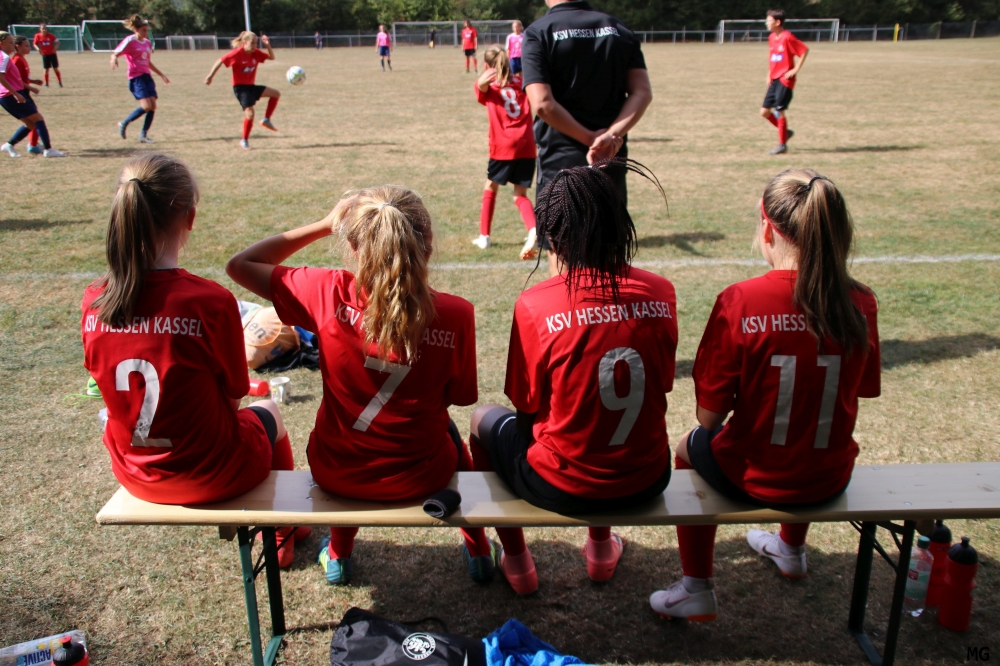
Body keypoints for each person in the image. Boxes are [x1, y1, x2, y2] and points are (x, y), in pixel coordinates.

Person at [226, 186, 495, 587]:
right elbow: (461, 397)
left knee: (356, 439)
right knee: (450, 434)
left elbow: (240, 265)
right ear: (428, 244)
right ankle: (480, 548)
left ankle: (338, 555)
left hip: (336, 470)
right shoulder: (455, 313)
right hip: (421, 475)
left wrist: (324, 225)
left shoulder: (324, 290)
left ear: (352, 246)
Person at [649, 169, 880, 621]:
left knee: (687, 447)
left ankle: (697, 586)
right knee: (806, 434)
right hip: (831, 475)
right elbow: (863, 389)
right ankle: (790, 549)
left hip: (754, 476)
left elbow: (709, 418)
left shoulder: (741, 300)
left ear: (768, 228)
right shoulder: (861, 301)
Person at [81, 153, 309, 567]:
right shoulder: (208, 300)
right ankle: (283, 533)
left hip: (136, 474)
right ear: (190, 217)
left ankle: (284, 532)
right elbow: (235, 397)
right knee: (269, 411)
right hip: (210, 473)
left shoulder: (95, 300)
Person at [469, 160, 676, 595]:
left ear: (551, 236)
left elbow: (526, 410)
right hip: (649, 478)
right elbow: (660, 386)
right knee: (597, 420)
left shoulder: (536, 303)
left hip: (561, 485)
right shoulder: (661, 291)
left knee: (482, 419)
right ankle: (600, 549)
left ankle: (517, 560)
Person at [522, 0, 652, 205]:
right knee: (609, 225)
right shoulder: (619, 29)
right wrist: (610, 135)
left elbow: (543, 103)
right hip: (610, 158)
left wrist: (591, 139)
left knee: (562, 226)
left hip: (560, 164)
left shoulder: (539, 31)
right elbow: (642, 92)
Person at [472, 45, 539, 260]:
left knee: (490, 186)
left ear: (487, 65)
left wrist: (482, 79)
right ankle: (534, 229)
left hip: (503, 145)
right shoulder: (521, 83)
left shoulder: (490, 87)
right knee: (520, 194)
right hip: (527, 143)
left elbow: (481, 87)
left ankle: (484, 236)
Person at [205, 31, 280, 151]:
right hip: (240, 88)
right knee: (250, 114)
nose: (255, 45)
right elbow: (221, 60)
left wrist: (267, 45)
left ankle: (266, 119)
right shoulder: (237, 53)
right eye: (252, 43)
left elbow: (272, 57)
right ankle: (244, 140)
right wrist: (210, 76)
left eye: (256, 43)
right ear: (245, 42)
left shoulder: (256, 53)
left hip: (251, 86)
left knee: (276, 94)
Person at [0, 31, 66, 158]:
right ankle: (48, 149)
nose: (13, 45)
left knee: (30, 124)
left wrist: (30, 85)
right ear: (1, 44)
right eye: (10, 43)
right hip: (10, 95)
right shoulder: (5, 57)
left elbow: (13, 78)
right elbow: (1, 77)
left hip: (6, 97)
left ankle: (9, 144)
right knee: (38, 119)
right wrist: (16, 94)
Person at [112, 15, 169, 144]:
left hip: (147, 76)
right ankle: (124, 122)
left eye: (147, 30)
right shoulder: (130, 41)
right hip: (136, 77)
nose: (146, 33)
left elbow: (147, 62)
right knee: (146, 106)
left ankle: (143, 135)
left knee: (153, 106)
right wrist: (114, 58)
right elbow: (116, 52)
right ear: (136, 29)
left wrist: (161, 74)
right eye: (143, 30)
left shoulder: (147, 43)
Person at [761, 9, 808, 155]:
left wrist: (795, 69)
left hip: (785, 80)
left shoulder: (787, 37)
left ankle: (782, 145)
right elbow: (772, 57)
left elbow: (804, 50)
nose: (766, 23)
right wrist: (769, 74)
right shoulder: (771, 37)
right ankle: (785, 132)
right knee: (764, 112)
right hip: (774, 78)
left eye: (769, 20)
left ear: (777, 22)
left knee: (779, 110)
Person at [11, 36, 45, 155]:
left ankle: (33, 143)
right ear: (18, 46)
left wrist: (33, 81)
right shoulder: (16, 60)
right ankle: (32, 144)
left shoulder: (22, 59)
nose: (29, 48)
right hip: (21, 93)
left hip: (25, 91)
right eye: (26, 46)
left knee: (34, 119)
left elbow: (22, 78)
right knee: (36, 119)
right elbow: (15, 80)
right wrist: (31, 87)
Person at [32, 23, 62, 88]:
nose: (44, 30)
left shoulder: (50, 35)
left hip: (52, 54)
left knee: (55, 68)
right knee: (46, 69)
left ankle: (60, 83)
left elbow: (57, 42)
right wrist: (38, 49)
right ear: (40, 29)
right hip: (45, 55)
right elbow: (34, 44)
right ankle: (46, 84)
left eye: (45, 28)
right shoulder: (37, 36)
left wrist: (55, 48)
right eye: (43, 29)